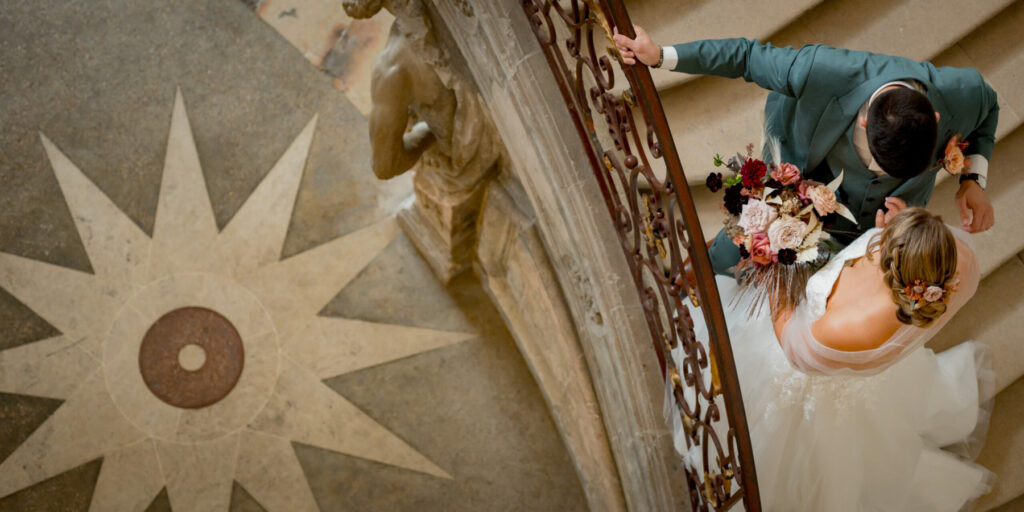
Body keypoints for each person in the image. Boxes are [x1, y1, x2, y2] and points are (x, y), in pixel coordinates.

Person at [670, 206, 993, 511]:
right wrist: (891, 228)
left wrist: (774, 268)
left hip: (802, 372)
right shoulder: (949, 263)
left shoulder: (848, 326)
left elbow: (791, 346)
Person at [612, 28, 999, 275]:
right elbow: (746, 57)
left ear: (934, 117)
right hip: (796, 184)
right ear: (864, 121)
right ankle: (687, 285)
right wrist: (661, 55)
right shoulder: (822, 71)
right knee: (737, 247)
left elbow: (990, 109)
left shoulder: (962, 95)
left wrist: (972, 180)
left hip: (872, 227)